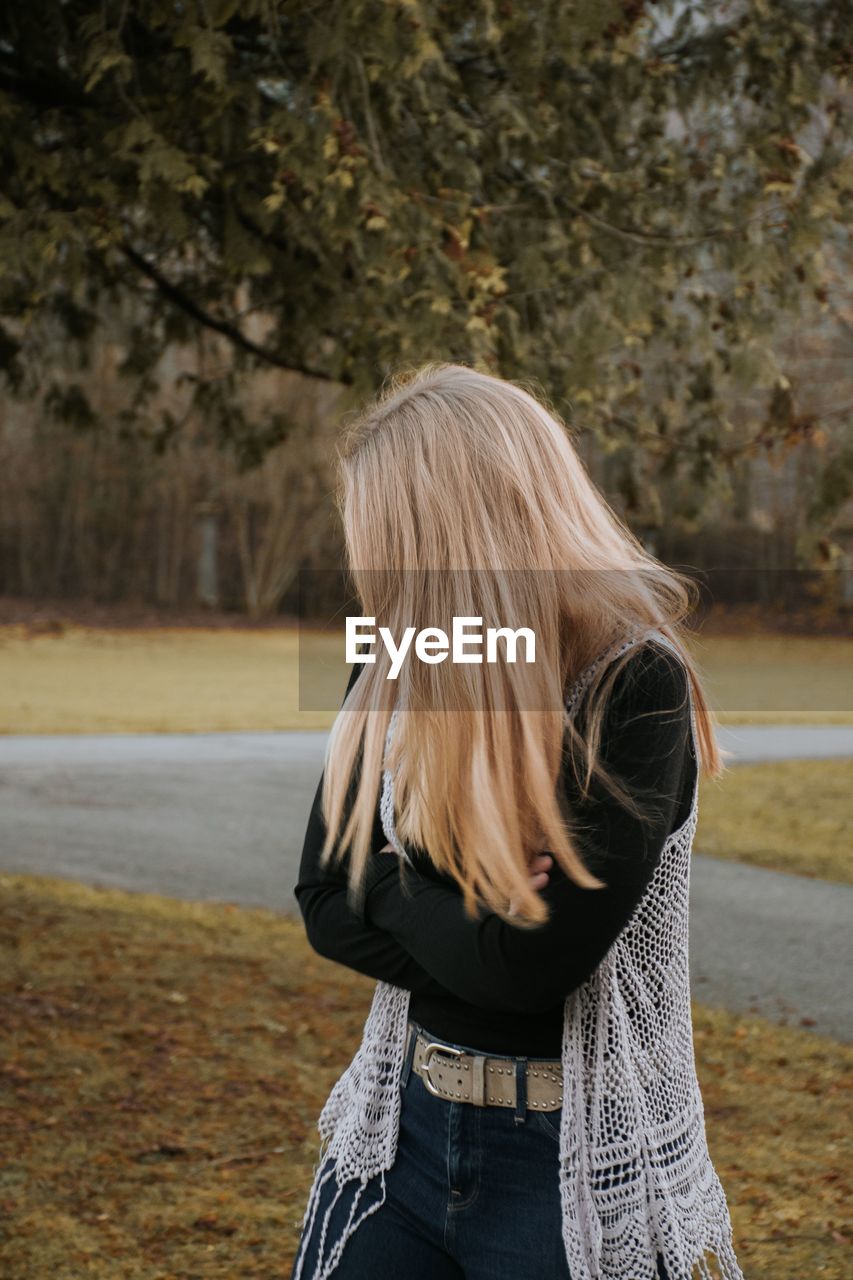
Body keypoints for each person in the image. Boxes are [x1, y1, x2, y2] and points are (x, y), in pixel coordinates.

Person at [291, 363, 744, 1280]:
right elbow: (320, 901)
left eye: (390, 542)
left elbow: (528, 969)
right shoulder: (397, 658)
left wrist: (386, 879)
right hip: (401, 1136)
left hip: (566, 1161)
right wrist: (465, 906)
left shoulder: (633, 686)